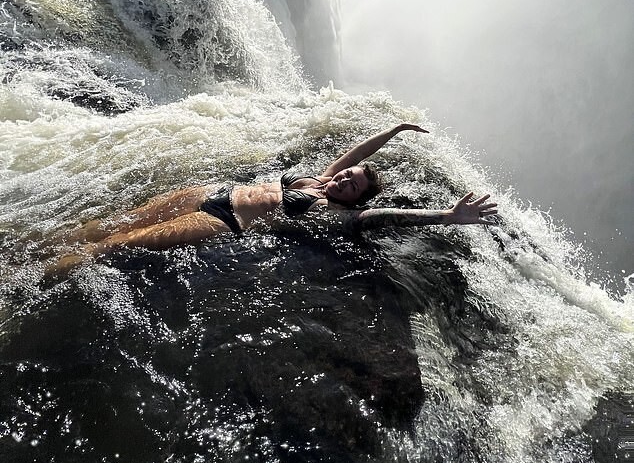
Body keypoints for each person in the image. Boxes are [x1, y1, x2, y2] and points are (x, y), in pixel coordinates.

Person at [51, 124, 497, 273]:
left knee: (112, 248)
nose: (344, 180)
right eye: (347, 176)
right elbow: (360, 152)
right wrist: (397, 129)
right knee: (110, 223)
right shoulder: (321, 179)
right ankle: (34, 248)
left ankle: (29, 278)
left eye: (352, 186)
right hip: (210, 191)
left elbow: (384, 216)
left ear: (351, 201)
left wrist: (448, 215)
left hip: (225, 220)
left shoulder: (334, 212)